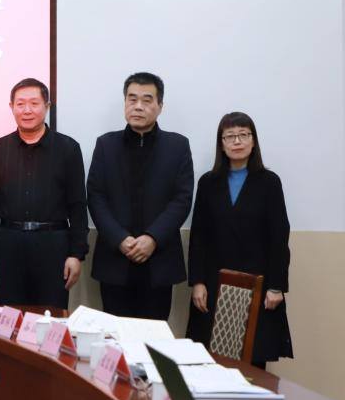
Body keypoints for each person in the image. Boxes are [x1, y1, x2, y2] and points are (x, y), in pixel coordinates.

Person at [186, 112, 292, 367]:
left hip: (257, 281)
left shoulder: (269, 182)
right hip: (214, 281)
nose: (237, 141)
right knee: (211, 359)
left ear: (253, 141)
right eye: (230, 136)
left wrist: (276, 286)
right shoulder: (208, 182)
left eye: (243, 135)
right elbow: (199, 236)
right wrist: (197, 282)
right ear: (221, 143)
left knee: (252, 362)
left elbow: (279, 237)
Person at [87, 72, 193, 320]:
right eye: (132, 99)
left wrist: (152, 238)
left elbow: (182, 199)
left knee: (154, 336)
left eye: (147, 100)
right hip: (115, 259)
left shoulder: (177, 146)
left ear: (160, 106)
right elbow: (96, 196)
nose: (138, 106)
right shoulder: (106, 145)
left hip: (159, 260)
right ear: (125, 102)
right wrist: (120, 238)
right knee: (115, 336)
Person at [0, 78, 87, 309]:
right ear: (11, 107)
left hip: (54, 245)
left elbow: (78, 205)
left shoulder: (68, 148)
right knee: (10, 318)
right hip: (8, 244)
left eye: (34, 103)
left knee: (51, 316)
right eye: (20, 104)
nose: (27, 110)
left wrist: (76, 254)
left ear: (47, 106)